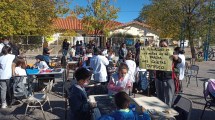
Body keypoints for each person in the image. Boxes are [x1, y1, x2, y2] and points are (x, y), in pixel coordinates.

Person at [155, 39, 182, 106]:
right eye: (161, 46)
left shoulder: (172, 52)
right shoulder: (156, 52)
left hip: (169, 78)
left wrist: (176, 58)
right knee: (159, 97)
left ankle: (169, 112)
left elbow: (179, 60)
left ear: (167, 46)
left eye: (164, 45)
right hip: (158, 78)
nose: (163, 47)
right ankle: (161, 111)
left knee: (169, 98)